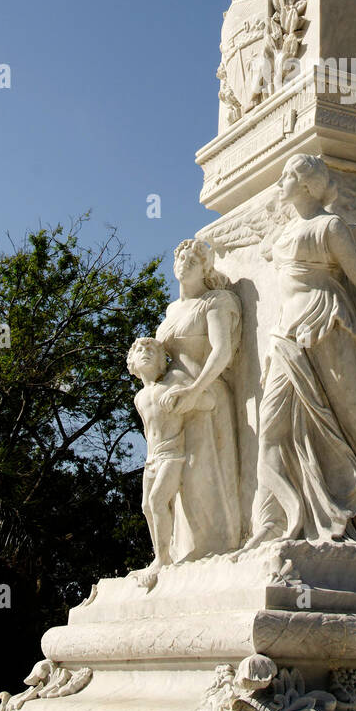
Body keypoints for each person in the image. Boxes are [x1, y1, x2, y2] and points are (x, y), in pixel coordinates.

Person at [241, 154, 356, 549]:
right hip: (285, 336)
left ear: (307, 184)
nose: (279, 182)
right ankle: (273, 522)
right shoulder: (280, 235)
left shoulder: (330, 227)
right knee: (272, 429)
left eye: (286, 176)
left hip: (328, 326)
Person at [149, 238, 243, 562]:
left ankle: (214, 548)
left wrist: (195, 391)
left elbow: (223, 352)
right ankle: (178, 554)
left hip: (207, 396)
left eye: (192, 261)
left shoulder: (217, 301)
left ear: (205, 268)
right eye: (180, 259)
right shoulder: (171, 310)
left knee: (200, 475)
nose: (184, 265)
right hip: (174, 408)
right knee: (174, 482)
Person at [126, 336, 216, 588]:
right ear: (131, 362)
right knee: (146, 506)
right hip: (152, 459)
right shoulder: (140, 398)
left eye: (152, 349)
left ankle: (162, 559)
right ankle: (162, 554)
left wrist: (186, 396)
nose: (145, 352)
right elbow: (147, 431)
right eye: (140, 350)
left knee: (157, 501)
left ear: (162, 360)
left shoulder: (174, 382)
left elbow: (209, 402)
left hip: (173, 454)